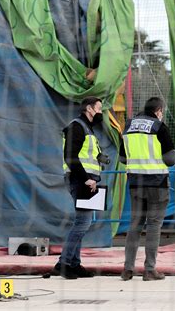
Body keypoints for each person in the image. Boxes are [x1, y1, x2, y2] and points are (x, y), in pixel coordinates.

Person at [119, 97, 175, 281]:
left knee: (135, 224)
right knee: (153, 226)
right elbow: (169, 160)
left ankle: (127, 269)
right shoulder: (159, 127)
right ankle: (149, 270)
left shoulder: (128, 127)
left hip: (136, 183)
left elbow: (122, 159)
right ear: (159, 110)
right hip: (157, 184)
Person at [53, 96, 104, 279]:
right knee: (82, 223)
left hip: (86, 180)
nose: (101, 112)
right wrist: (86, 179)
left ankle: (74, 263)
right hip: (80, 180)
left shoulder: (87, 128)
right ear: (89, 109)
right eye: (99, 108)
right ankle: (64, 263)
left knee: (83, 223)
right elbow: (71, 157)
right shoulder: (77, 126)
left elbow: (84, 155)